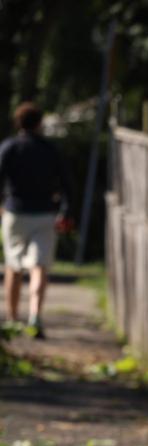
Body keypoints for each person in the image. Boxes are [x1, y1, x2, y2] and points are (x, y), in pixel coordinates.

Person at [0, 102, 74, 338]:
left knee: (13, 266)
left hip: (14, 213)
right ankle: (35, 316)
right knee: (39, 266)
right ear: (39, 123)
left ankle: (12, 318)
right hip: (44, 214)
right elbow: (66, 183)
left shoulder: (9, 147)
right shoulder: (49, 149)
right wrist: (66, 211)